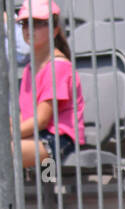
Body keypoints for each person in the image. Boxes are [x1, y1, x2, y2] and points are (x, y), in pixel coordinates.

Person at [15, 0, 83, 170]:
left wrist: (10, 133)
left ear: (55, 30)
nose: (29, 28)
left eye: (38, 23)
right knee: (46, 181)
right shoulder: (30, 68)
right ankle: (46, 192)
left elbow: (42, 120)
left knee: (5, 151)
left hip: (57, 142)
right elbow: (26, 116)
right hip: (38, 138)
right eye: (25, 23)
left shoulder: (58, 66)